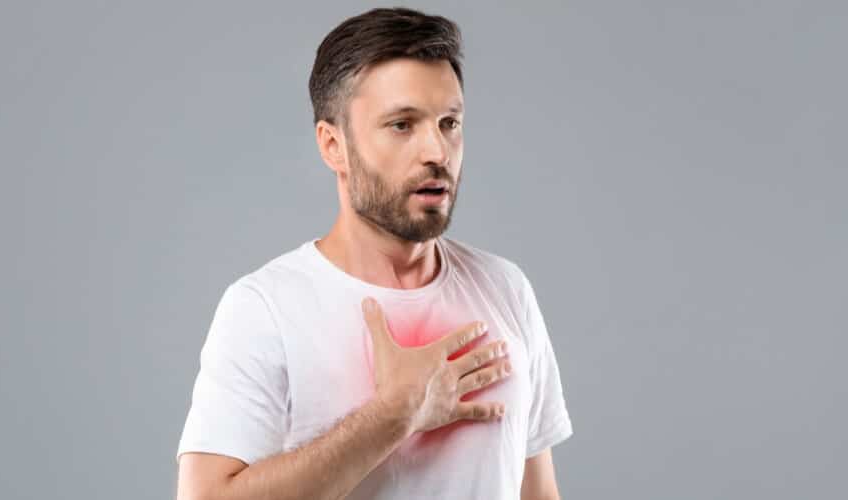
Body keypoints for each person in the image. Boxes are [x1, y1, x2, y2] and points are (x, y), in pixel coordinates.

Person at [175, 7, 573, 500]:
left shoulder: (504, 287)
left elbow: (539, 493)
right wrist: (393, 414)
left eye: (449, 123)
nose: (437, 151)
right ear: (333, 146)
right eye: (402, 125)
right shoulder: (264, 308)